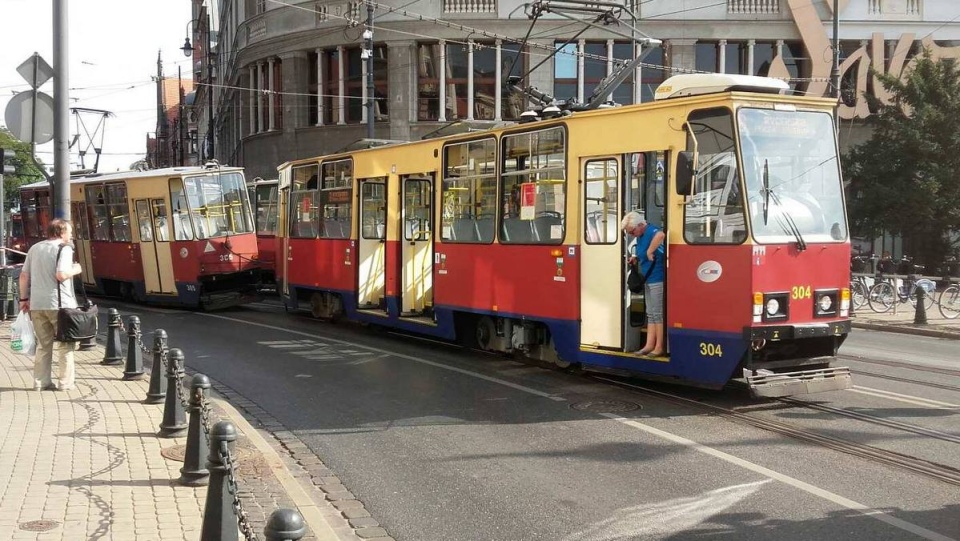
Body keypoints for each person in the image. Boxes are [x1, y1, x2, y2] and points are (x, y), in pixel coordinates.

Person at [18, 219, 83, 391]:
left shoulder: (35, 248)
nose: (71, 236)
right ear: (61, 233)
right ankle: (65, 383)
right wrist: (76, 269)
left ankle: (40, 382)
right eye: (69, 232)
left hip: (38, 304)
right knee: (66, 344)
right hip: (60, 305)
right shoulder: (65, 248)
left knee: (43, 345)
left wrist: (23, 299)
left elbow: (24, 276)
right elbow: (61, 275)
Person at [621, 211, 666, 356]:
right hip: (649, 278)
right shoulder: (641, 236)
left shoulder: (651, 231)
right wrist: (636, 257)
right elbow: (642, 250)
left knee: (657, 314)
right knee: (651, 313)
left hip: (657, 278)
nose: (632, 234)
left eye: (632, 231)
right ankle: (649, 345)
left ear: (640, 225)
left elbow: (661, 235)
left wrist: (649, 252)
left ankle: (659, 347)